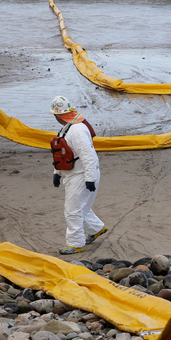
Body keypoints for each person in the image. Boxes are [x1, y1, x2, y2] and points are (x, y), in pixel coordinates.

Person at [49, 95, 108, 254]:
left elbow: (88, 155)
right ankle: (96, 229)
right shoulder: (67, 128)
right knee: (81, 207)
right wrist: (58, 173)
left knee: (72, 210)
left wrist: (90, 179)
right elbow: (62, 153)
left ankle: (75, 243)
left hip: (81, 175)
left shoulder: (77, 129)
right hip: (73, 173)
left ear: (59, 115)